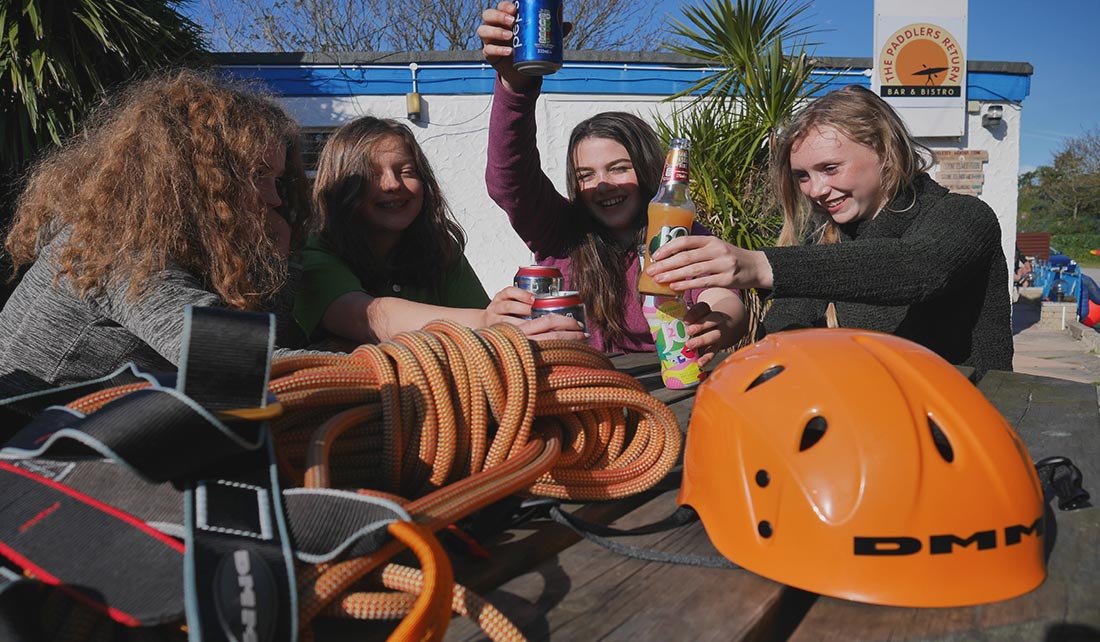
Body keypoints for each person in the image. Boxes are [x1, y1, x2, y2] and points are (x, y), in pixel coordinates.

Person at [644, 84, 1013, 374]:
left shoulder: (964, 216)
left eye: (830, 168)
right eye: (803, 176)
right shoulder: (829, 235)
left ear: (885, 151)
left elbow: (918, 268)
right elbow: (786, 324)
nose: (815, 190)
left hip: (974, 425)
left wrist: (758, 266)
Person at [0, 70, 313, 398]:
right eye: (258, 174)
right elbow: (236, 366)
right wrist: (371, 364)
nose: (275, 198)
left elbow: (267, 347)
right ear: (194, 175)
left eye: (276, 179)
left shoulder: (191, 249)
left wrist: (277, 261)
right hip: (31, 438)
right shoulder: (114, 249)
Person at [476, 2, 747, 361]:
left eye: (619, 168)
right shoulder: (558, 230)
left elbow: (721, 294)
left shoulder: (678, 230)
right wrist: (515, 84)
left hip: (668, 387)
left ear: (649, 170)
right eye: (585, 175)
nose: (602, 184)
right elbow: (508, 177)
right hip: (578, 387)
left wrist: (718, 321)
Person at [296, 115, 583, 346]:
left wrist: (512, 323)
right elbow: (365, 318)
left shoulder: (440, 249)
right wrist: (486, 322)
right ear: (340, 187)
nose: (392, 184)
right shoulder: (316, 255)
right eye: (372, 174)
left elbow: (482, 329)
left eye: (406, 171)